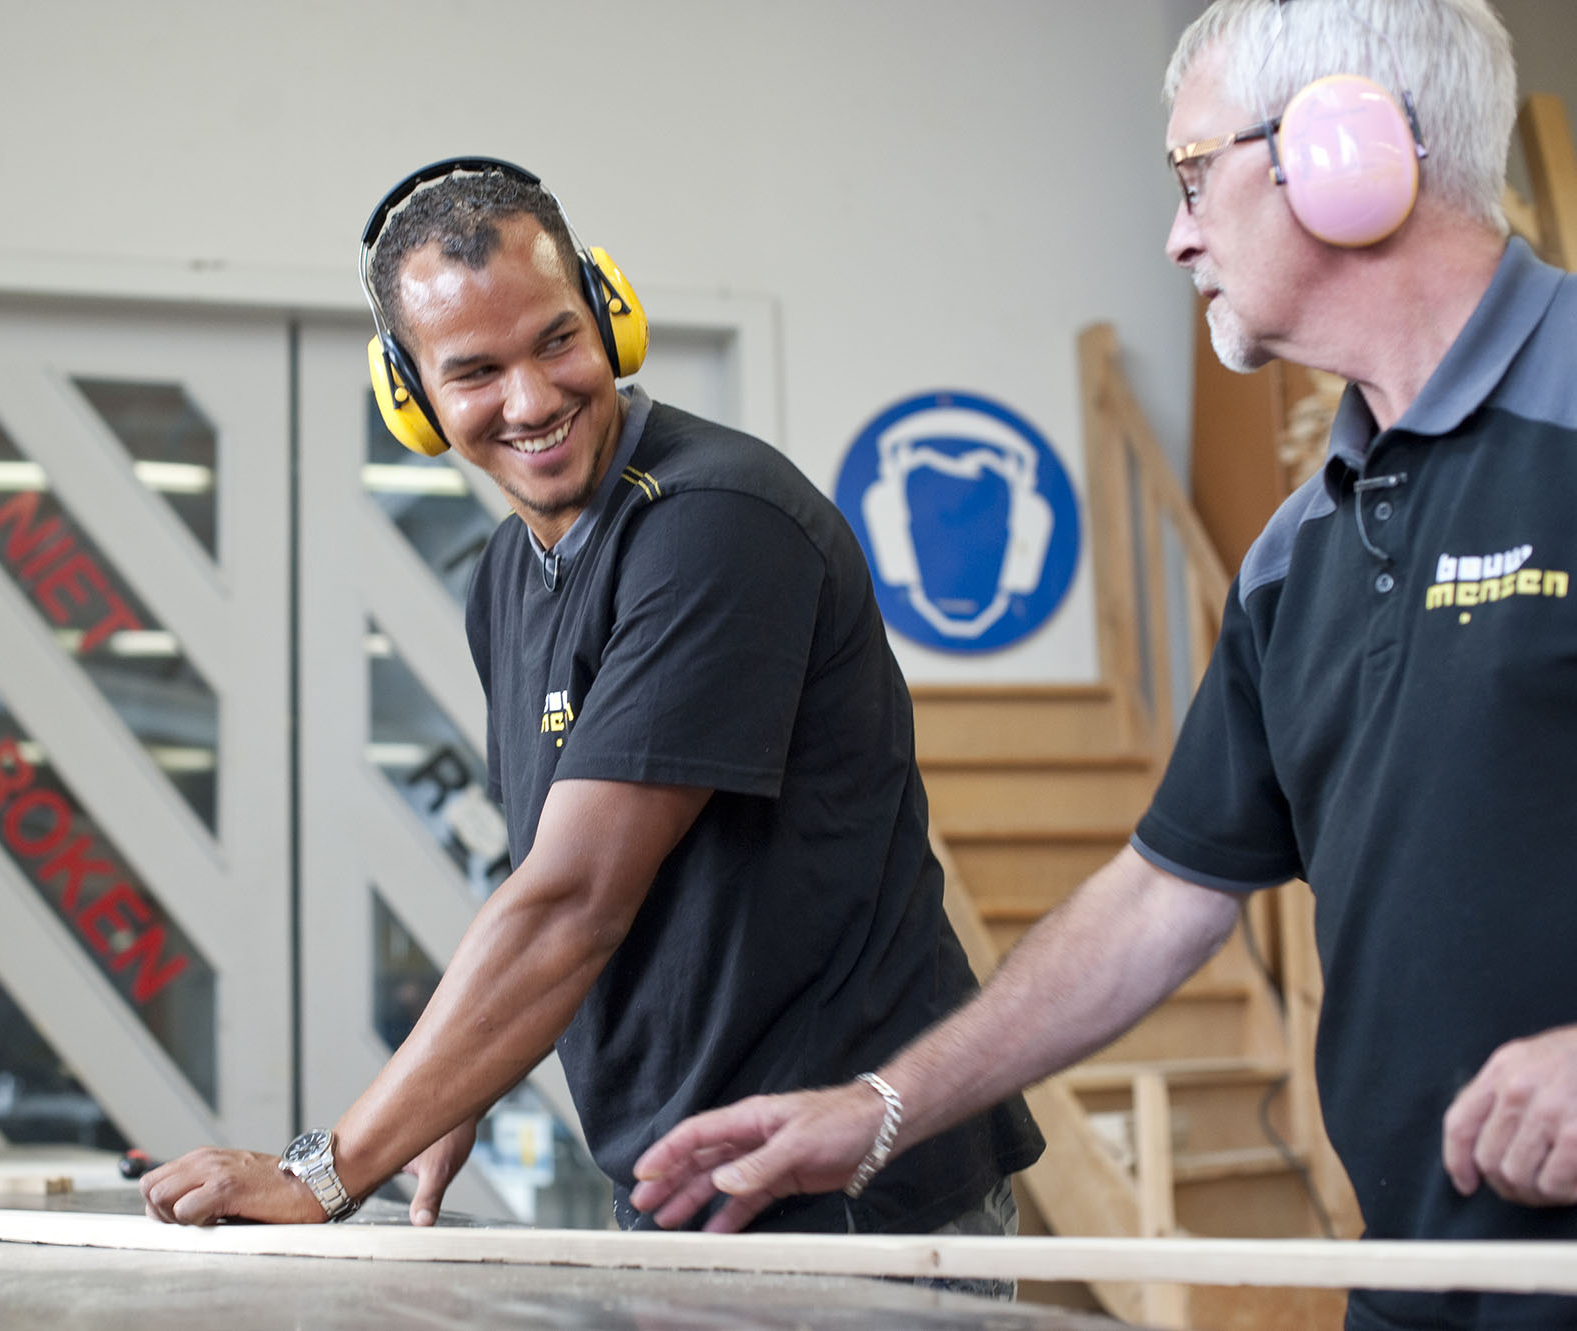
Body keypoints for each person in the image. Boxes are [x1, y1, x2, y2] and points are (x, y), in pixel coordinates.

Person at [631, 2, 1577, 1326]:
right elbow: (1162, 896)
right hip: (1422, 1283)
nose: (1178, 235)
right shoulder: (1298, 552)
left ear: (1343, 148)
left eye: (1193, 175)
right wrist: (880, 1108)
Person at [140, 159, 1041, 1257]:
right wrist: (449, 1078)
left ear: (611, 318)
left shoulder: (716, 523)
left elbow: (574, 901)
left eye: (555, 341)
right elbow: (542, 873)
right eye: (475, 371)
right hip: (693, 1188)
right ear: (411, 398)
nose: (530, 400)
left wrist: (325, 1171)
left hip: (850, 1195)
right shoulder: (508, 578)